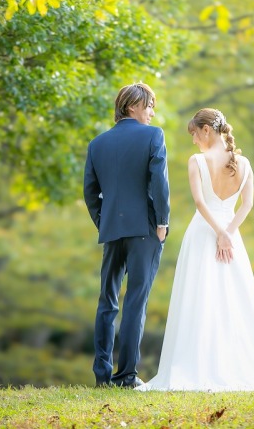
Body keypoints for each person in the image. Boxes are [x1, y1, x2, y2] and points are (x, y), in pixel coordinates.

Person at [137, 108, 254, 392]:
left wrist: (218, 233)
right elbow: (247, 205)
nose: (194, 141)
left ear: (206, 130)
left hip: (204, 232)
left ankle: (198, 363)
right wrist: (228, 233)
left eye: (194, 134)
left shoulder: (197, 161)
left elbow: (200, 203)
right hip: (230, 234)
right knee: (231, 297)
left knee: (199, 296)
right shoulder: (245, 163)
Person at [84, 82, 170, 388]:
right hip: (145, 229)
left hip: (111, 230)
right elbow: (159, 182)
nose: (152, 113)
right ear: (133, 105)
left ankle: (102, 376)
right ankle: (127, 376)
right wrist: (162, 221)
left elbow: (90, 192)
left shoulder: (97, 144)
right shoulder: (153, 135)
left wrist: (104, 222)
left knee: (107, 301)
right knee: (135, 301)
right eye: (149, 106)